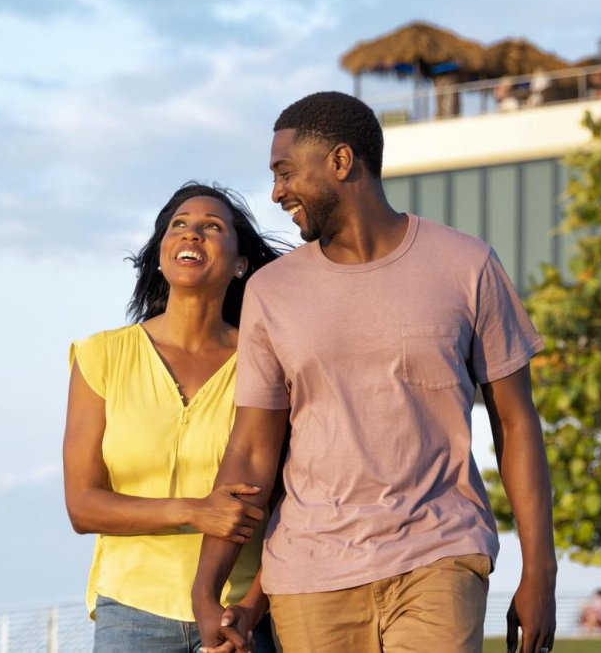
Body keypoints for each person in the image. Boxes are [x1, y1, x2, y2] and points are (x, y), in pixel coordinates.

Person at [190, 91, 558, 653]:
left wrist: (541, 572)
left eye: (285, 172)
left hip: (439, 553)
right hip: (310, 576)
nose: (276, 192)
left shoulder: (467, 265)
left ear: (341, 162)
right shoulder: (271, 291)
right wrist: (206, 586)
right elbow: (252, 450)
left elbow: (516, 422)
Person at [63, 182, 288, 653]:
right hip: (131, 613)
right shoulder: (101, 355)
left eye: (211, 227)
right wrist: (195, 510)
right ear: (162, 254)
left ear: (241, 262)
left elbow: (293, 502)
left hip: (238, 616)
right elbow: (82, 506)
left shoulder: (268, 360)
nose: (191, 235)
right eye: (178, 226)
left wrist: (251, 607)